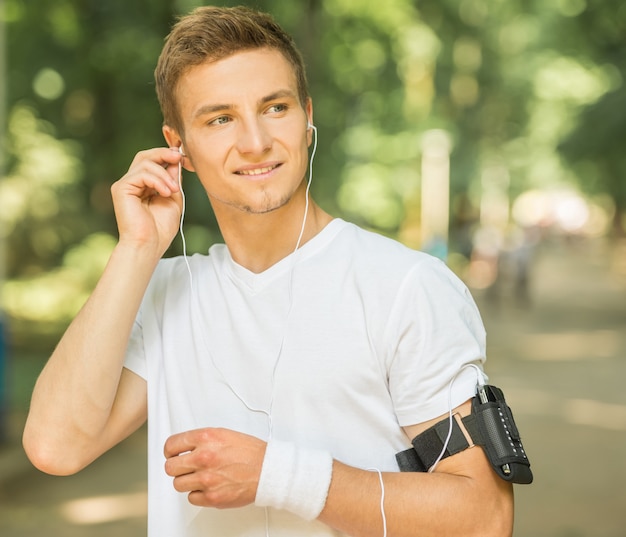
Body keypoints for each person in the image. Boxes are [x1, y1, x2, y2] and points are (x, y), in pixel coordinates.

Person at [23, 6, 513, 537]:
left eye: (274, 107)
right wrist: (137, 247)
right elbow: (55, 447)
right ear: (178, 147)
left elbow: (484, 518)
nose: (255, 141)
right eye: (220, 118)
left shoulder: (406, 286)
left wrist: (279, 476)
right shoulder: (163, 292)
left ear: (306, 118)